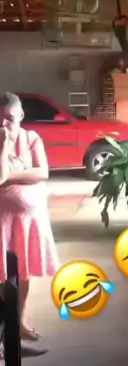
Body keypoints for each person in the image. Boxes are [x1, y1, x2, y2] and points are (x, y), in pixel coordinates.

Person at [0, 91, 58, 342]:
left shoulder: (31, 138)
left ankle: (19, 323)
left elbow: (42, 171)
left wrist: (9, 177)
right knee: (2, 277)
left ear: (21, 115)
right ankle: (4, 337)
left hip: (28, 222)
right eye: (0, 119)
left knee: (23, 273)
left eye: (9, 118)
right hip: (2, 222)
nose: (4, 124)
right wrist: (3, 147)